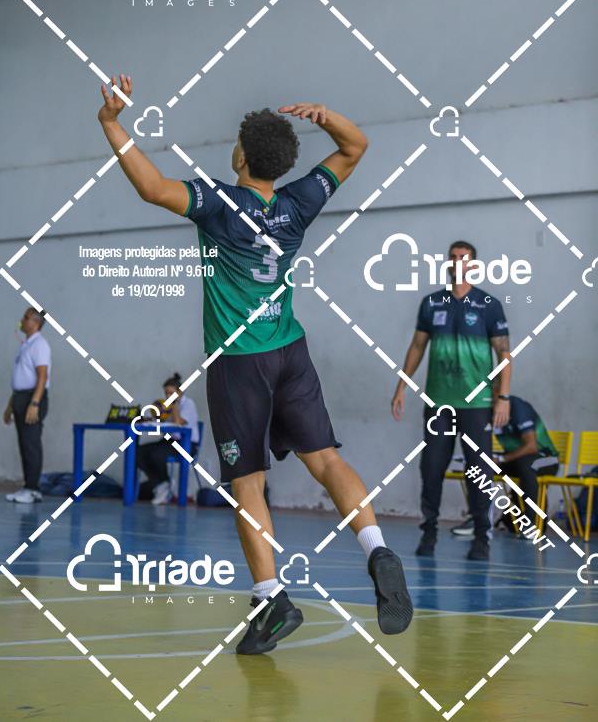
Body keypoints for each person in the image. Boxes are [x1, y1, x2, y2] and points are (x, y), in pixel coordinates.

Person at [97, 75, 413, 654]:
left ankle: (271, 601)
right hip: (291, 350)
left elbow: (151, 187)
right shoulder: (298, 202)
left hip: (240, 363)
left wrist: (111, 123)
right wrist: (325, 115)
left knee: (248, 482)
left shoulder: (218, 203)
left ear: (241, 155)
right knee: (327, 459)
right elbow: (355, 147)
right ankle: (377, 549)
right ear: (283, 162)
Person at [391, 240, 511, 561]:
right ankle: (429, 532)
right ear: (448, 263)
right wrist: (401, 386)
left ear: (473, 265)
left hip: (478, 404)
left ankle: (482, 538)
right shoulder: (431, 303)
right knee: (431, 468)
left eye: (464, 258)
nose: (458, 262)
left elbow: (504, 353)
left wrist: (503, 397)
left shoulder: (489, 305)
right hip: (439, 403)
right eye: (453, 257)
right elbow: (417, 347)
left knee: (479, 472)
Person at [452, 394, 559, 536]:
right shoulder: (484, 409)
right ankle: (478, 519)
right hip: (515, 459)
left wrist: (501, 458)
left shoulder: (518, 408)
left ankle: (531, 524)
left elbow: (531, 446)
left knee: (526, 466)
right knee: (477, 465)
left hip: (544, 458)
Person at [3, 308, 51, 503]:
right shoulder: (26, 345)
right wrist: (10, 406)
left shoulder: (40, 345)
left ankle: (33, 489)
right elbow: (20, 379)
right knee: (24, 443)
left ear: (36, 323)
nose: (22, 320)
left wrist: (35, 403)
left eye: (26, 317)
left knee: (31, 443)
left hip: (32, 398)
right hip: (20, 398)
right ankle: (27, 486)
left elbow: (42, 376)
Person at [136, 372, 200, 505]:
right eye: (166, 393)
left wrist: (174, 405)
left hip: (187, 445)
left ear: (180, 392)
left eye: (171, 393)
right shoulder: (166, 406)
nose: (168, 396)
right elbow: (161, 422)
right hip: (169, 442)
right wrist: (150, 418)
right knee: (137, 452)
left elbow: (178, 423)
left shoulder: (188, 404)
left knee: (156, 454)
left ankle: (164, 485)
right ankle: (162, 484)